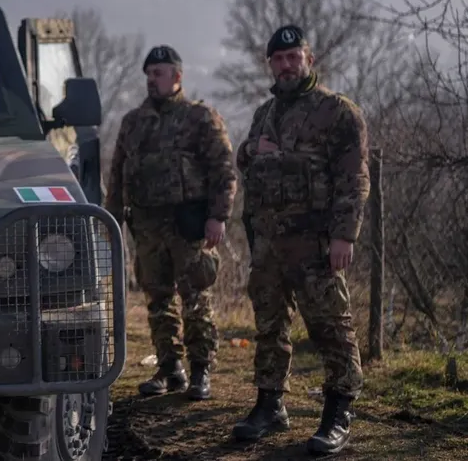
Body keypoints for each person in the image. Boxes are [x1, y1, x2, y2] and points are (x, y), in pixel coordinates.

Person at [232, 25, 369, 456]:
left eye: (294, 57)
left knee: (330, 326)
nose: (287, 65)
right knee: (270, 326)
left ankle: (338, 411)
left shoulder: (338, 111)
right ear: (270, 65)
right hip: (270, 242)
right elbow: (244, 156)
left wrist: (343, 236)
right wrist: (255, 149)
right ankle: (270, 404)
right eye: (278, 59)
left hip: (316, 241)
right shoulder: (265, 113)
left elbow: (354, 179)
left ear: (309, 58)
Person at [105, 45, 237, 401]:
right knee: (158, 299)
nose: (152, 80)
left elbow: (223, 170)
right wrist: (111, 219)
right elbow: (117, 174)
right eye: (148, 74)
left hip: (188, 223)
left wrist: (217, 216)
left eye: (159, 73)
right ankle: (169, 367)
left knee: (195, 298)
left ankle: (200, 370)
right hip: (146, 225)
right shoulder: (134, 122)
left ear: (178, 76)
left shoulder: (200, 118)